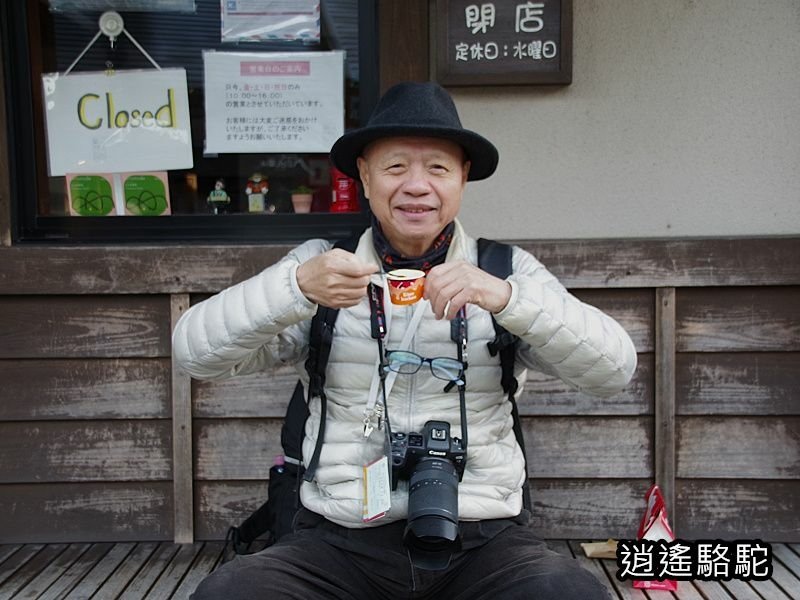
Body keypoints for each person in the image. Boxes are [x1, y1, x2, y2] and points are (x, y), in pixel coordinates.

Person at [174, 81, 637, 599]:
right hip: (337, 540)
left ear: (463, 178)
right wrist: (296, 287)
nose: (416, 186)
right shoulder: (323, 265)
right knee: (231, 594)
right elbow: (194, 351)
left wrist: (508, 299)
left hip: (484, 540)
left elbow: (614, 369)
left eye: (437, 168)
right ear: (365, 178)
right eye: (395, 167)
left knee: (567, 593)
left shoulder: (506, 271)